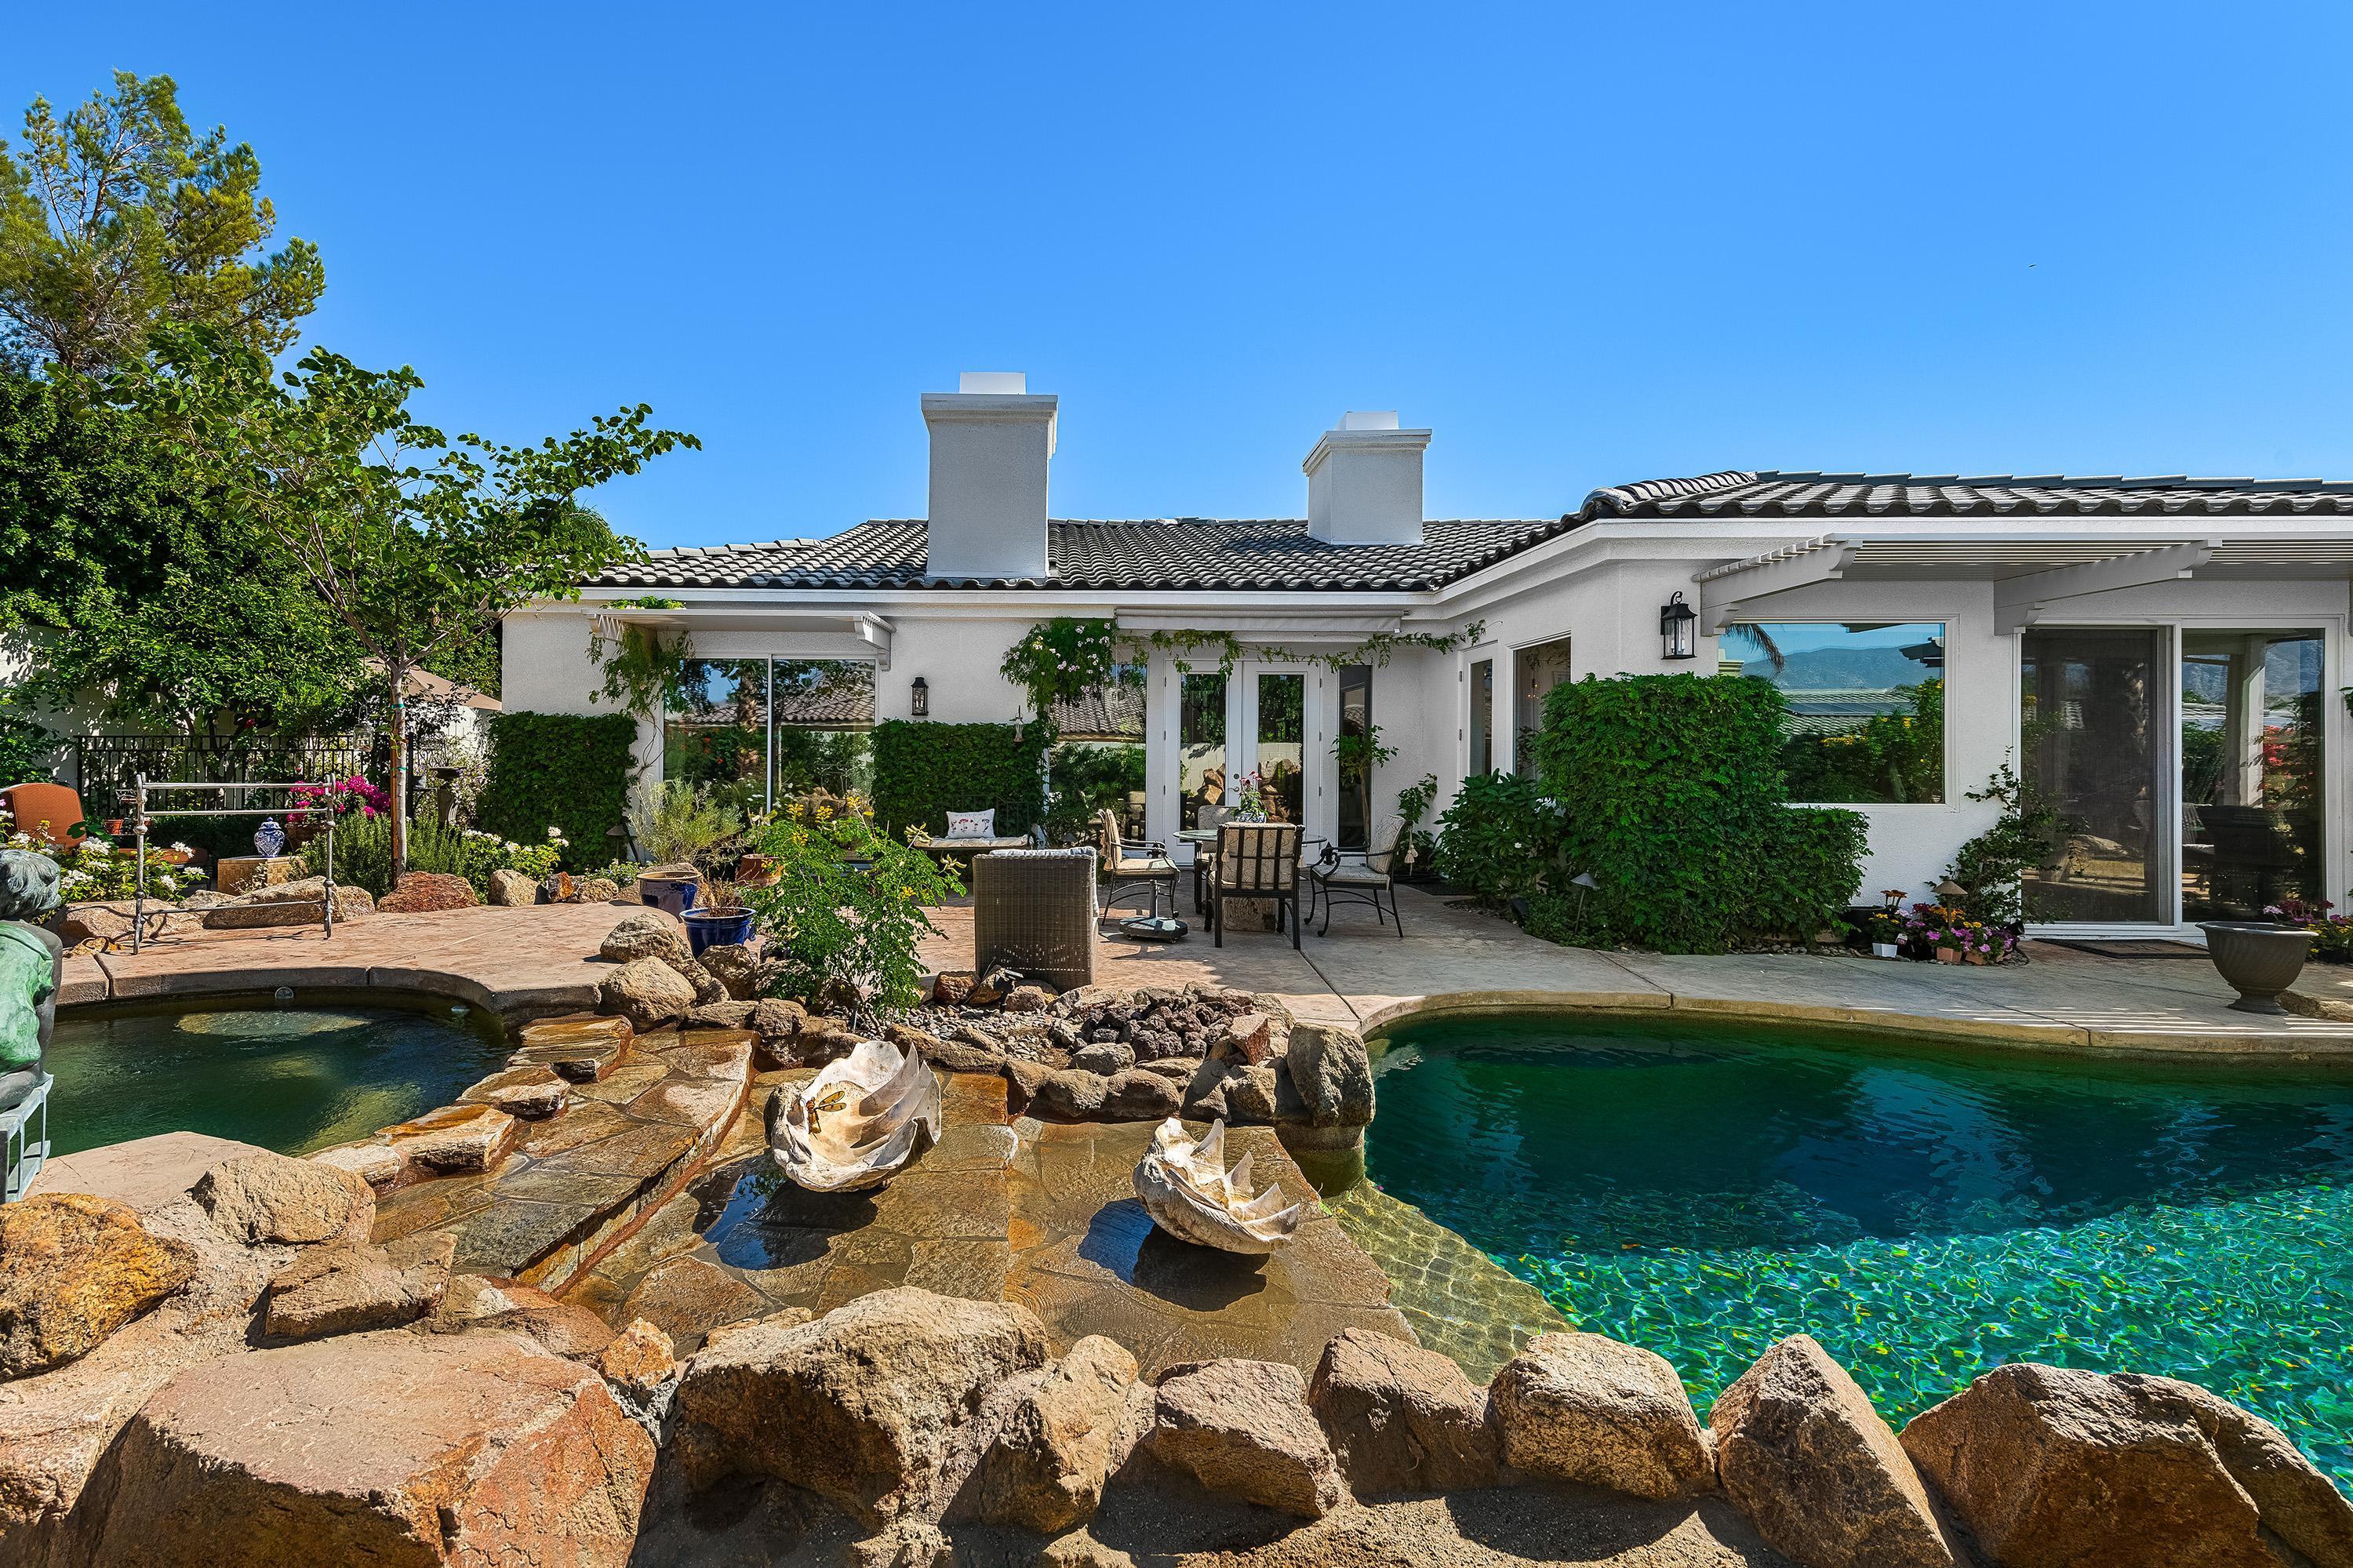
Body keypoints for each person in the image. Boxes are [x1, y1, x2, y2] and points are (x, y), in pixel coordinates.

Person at [0, 848, 64, 1114]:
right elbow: (44, 1013)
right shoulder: (47, 943)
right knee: (24, 1075)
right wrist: (37, 1066)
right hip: (5, 1043)